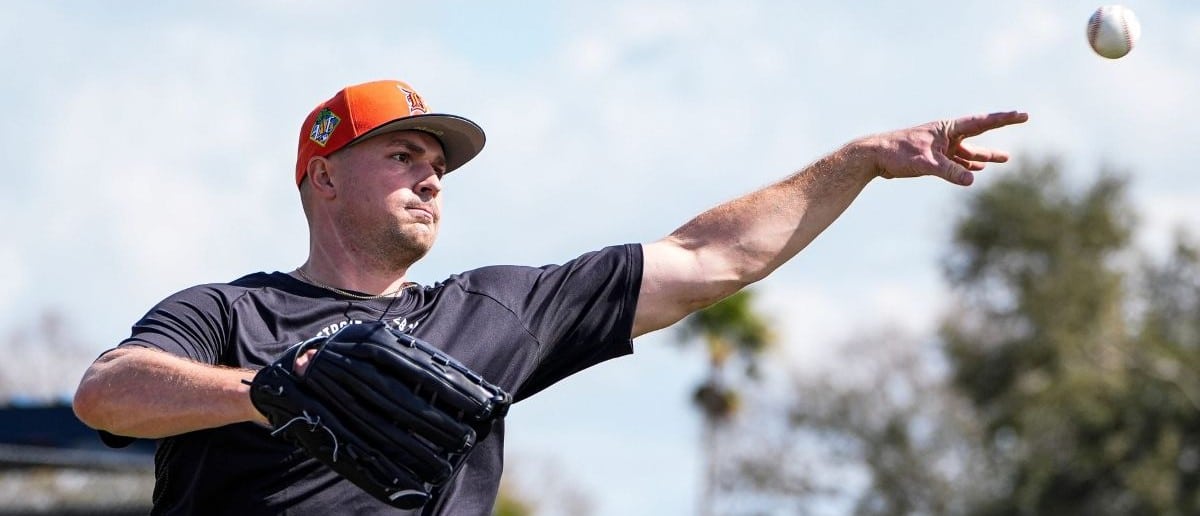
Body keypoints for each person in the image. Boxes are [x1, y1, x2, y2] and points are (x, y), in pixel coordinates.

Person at [72, 78, 1028, 515]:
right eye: (401, 155)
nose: (431, 176)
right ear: (323, 178)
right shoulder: (232, 315)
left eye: (438, 162)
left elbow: (710, 258)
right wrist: (273, 389)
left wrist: (859, 161)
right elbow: (107, 392)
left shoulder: (488, 314)